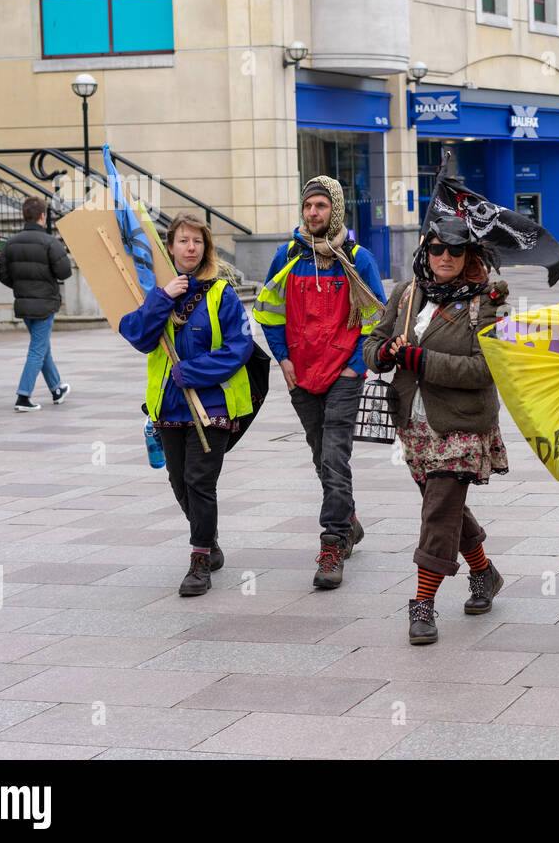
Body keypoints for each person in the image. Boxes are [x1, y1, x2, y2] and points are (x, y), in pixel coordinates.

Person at [363, 218, 509, 645]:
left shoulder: (490, 300)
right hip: (415, 422)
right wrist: (387, 354)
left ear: (469, 257)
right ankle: (484, 572)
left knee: (439, 507)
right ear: (425, 252)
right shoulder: (407, 294)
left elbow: (485, 369)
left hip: (462, 422)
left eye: (455, 251)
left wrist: (418, 359)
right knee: (442, 505)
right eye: (437, 249)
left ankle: (422, 603)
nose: (445, 257)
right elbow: (373, 344)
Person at [254, 176, 386, 589]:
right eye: (308, 205)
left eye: (321, 206)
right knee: (320, 455)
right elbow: (270, 313)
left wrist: (354, 367)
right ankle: (349, 521)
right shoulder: (287, 256)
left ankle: (332, 544)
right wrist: (284, 359)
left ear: (336, 210)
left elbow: (375, 320)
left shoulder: (358, 259)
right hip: (301, 375)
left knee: (334, 457)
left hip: (344, 374)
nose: (313, 213)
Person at [119, 214, 253, 596]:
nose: (190, 248)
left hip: (212, 405)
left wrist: (194, 371)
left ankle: (199, 563)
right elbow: (140, 337)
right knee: (179, 483)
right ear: (170, 247)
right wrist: (163, 298)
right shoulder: (156, 292)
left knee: (200, 481)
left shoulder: (221, 293)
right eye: (183, 241)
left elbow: (240, 347)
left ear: (205, 247)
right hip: (168, 408)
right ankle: (208, 542)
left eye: (197, 241)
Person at [0, 197, 72, 411]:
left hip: (23, 302)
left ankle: (57, 388)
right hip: (45, 302)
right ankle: (23, 396)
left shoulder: (10, 243)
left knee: (41, 346)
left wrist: (20, 286)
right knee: (37, 349)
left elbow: (2, 273)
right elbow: (64, 271)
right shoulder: (50, 242)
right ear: (42, 216)